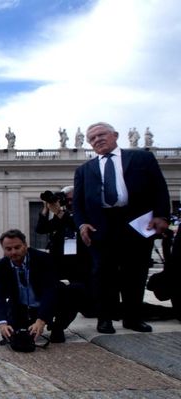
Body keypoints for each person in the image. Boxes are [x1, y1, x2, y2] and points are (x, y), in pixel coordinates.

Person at [73, 122, 170, 334]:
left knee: (135, 272)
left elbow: (159, 188)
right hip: (102, 225)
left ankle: (132, 318)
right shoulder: (84, 170)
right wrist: (81, 224)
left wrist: (162, 215)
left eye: (101, 135)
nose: (97, 140)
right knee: (103, 274)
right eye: (92, 138)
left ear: (115, 135)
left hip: (136, 222)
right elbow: (77, 204)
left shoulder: (142, 158)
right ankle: (104, 319)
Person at [0, 229, 77, 344]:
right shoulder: (1, 266)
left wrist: (42, 320)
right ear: (3, 250)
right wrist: (2, 323)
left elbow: (50, 291)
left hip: (47, 304)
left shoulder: (43, 259)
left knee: (73, 291)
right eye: (8, 249)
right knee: (12, 335)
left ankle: (58, 327)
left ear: (25, 246)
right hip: (22, 307)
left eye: (17, 247)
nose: (13, 252)